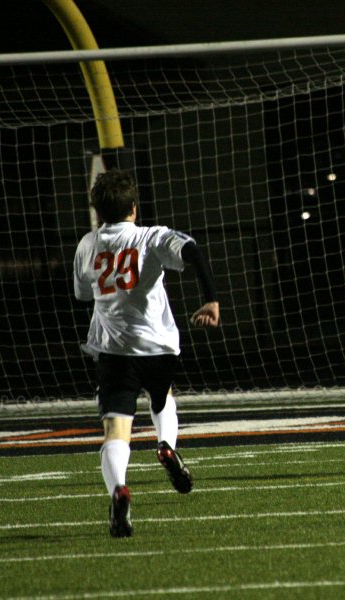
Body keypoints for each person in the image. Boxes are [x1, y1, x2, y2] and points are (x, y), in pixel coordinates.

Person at [73, 169, 220, 538]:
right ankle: (166, 445)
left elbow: (83, 295)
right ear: (134, 208)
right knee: (162, 396)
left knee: (115, 430)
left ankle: (119, 489)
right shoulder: (150, 237)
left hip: (114, 350)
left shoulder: (87, 245)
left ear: (97, 211)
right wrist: (211, 298)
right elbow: (192, 249)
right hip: (159, 347)